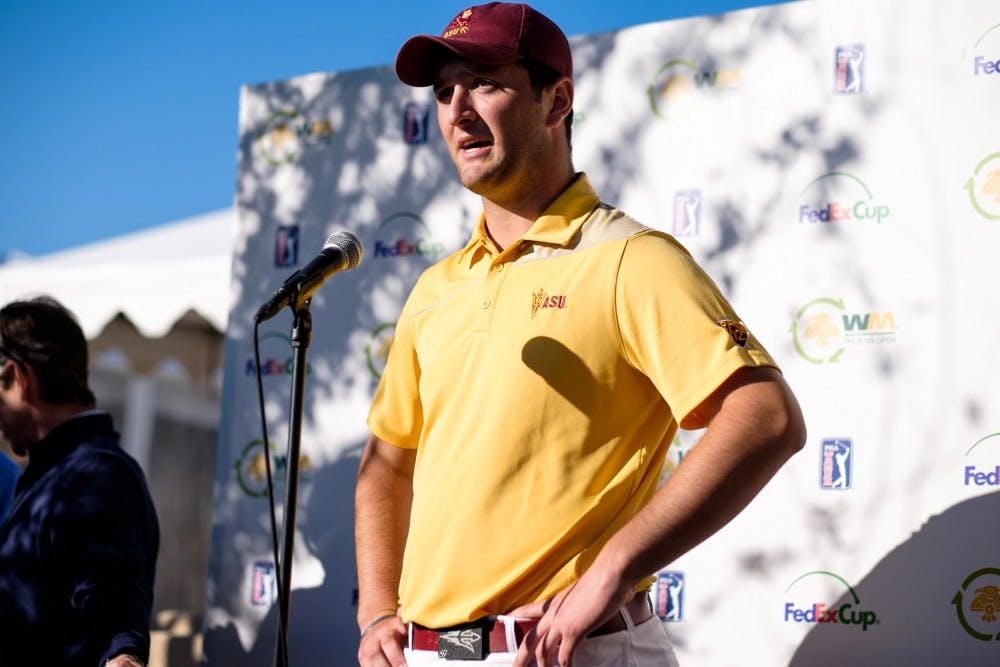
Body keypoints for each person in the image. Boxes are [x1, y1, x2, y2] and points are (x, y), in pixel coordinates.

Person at [354, 3, 807, 666]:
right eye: (445, 90)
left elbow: (766, 417)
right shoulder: (433, 290)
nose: (457, 110)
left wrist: (616, 565)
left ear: (556, 99)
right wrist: (377, 614)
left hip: (571, 652)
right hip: (431, 654)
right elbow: (385, 467)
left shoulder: (629, 256)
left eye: (484, 82)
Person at [0, 296, 160, 667]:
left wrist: (123, 653)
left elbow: (114, 600)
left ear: (20, 378)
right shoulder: (59, 470)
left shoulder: (93, 475)